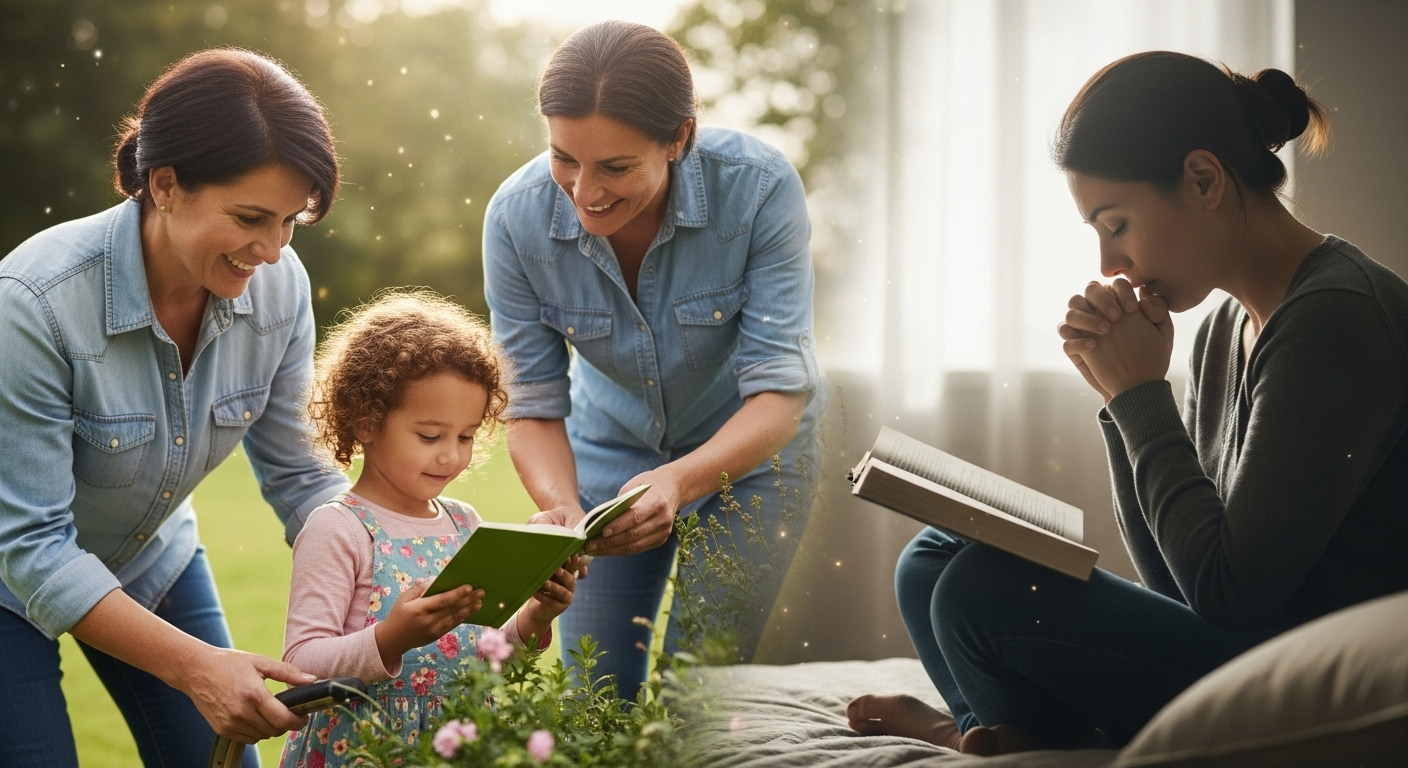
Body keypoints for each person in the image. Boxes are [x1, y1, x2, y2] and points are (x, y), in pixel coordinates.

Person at [848, 51, 1408, 755]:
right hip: (1240, 634)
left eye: (1116, 225)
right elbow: (1176, 582)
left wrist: (1141, 394)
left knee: (981, 591)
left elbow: (1228, 596)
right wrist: (1119, 403)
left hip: (1302, 669)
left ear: (1203, 180)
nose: (1111, 265)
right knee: (935, 552)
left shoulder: (1336, 317)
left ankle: (998, 729)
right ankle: (991, 731)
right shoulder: (1221, 330)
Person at [0, 49, 352, 766]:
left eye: (291, 220)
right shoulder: (31, 305)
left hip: (150, 556)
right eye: (252, 217)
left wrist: (402, 559)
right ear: (164, 185)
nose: (273, 249)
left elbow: (303, 477)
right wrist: (196, 667)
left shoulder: (278, 290)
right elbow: (33, 547)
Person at [483, 20, 827, 700]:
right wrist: (561, 511)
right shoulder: (514, 220)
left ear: (680, 138)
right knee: (593, 692)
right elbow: (531, 403)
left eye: (616, 167)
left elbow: (781, 396)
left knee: (699, 694)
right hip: (605, 461)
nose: (585, 191)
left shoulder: (759, 191)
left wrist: (678, 481)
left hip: (752, 463)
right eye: (564, 159)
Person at [278, 291, 577, 767]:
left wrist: (538, 615)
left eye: (466, 436)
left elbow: (486, 661)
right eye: (430, 436)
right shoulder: (339, 528)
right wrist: (390, 638)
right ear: (366, 421)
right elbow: (300, 665)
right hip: (363, 752)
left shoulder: (465, 524)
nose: (451, 456)